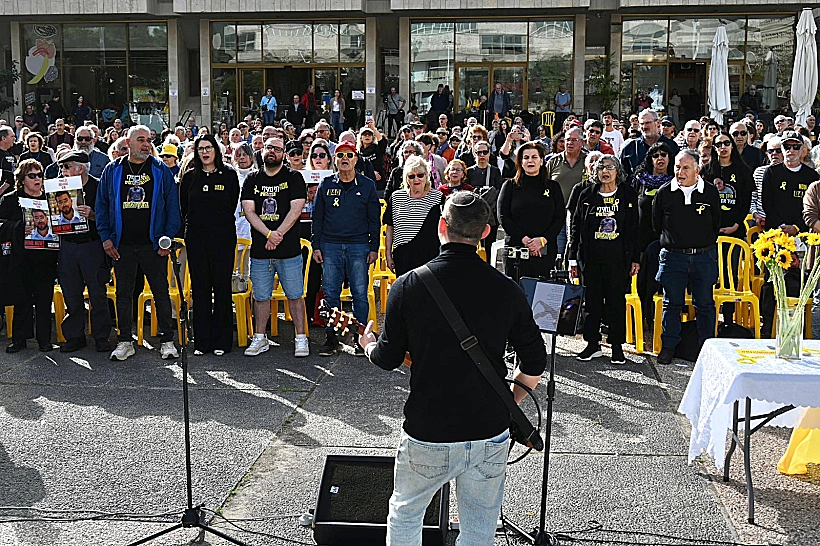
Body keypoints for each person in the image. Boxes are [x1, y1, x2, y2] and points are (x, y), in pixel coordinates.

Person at [358, 190, 546, 546]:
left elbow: (387, 357)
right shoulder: (507, 289)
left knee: (406, 514)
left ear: (441, 226)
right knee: (479, 527)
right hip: (488, 428)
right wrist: (510, 401)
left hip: (429, 428)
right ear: (485, 232)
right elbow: (535, 362)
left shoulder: (408, 285)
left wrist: (368, 344)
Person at [96, 125, 181, 362]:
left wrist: (167, 239)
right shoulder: (113, 169)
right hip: (121, 245)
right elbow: (101, 206)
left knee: (160, 293)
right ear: (128, 143)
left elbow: (173, 209)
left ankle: (167, 341)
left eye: (149, 140)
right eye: (141, 140)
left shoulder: (160, 170)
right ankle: (125, 341)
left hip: (153, 246)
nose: (146, 144)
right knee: (123, 294)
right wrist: (106, 238)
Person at [241, 137, 309, 357]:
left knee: (295, 295)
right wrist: (269, 234)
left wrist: (277, 234)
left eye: (278, 149)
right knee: (261, 297)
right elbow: (249, 211)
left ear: (284, 155)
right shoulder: (252, 179)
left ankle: (301, 337)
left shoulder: (294, 177)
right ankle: (260, 337)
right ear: (262, 151)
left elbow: (296, 210)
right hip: (261, 251)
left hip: (289, 251)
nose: (272, 152)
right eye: (269, 148)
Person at [569, 154, 639, 365]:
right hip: (591, 260)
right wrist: (572, 258)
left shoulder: (627, 194)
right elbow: (576, 227)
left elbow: (634, 229)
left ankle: (617, 346)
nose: (605, 171)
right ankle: (592, 344)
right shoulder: (586, 194)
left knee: (616, 302)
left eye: (609, 167)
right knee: (592, 303)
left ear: (618, 171)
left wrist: (635, 258)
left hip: (618, 260)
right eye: (600, 168)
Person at [653, 150, 721, 365]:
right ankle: (668, 347)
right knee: (672, 304)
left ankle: (707, 349)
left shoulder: (710, 192)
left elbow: (716, 223)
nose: (680, 172)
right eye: (677, 167)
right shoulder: (664, 192)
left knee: (705, 305)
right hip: (673, 257)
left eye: (685, 168)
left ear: (697, 170)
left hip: (704, 256)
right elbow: (656, 225)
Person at [312, 141, 380, 356]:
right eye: (340, 155)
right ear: (335, 159)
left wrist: (374, 247)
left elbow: (374, 220)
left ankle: (361, 339)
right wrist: (316, 246)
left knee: (359, 293)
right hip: (330, 245)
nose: (345, 159)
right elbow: (317, 218)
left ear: (356, 159)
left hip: (359, 245)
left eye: (349, 155)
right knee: (331, 293)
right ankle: (331, 338)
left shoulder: (368, 185)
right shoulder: (325, 184)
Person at [178, 134, 240, 356]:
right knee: (200, 287)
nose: (205, 152)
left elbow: (232, 202)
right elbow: (184, 207)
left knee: (222, 287)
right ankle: (202, 342)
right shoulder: (189, 177)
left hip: (223, 236)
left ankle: (222, 341)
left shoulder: (229, 175)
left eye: (209, 148)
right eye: (201, 148)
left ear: (216, 150)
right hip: (197, 236)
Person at [760, 130, 820, 337]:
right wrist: (782, 228)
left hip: (803, 237)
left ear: (803, 150)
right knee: (772, 282)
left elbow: (811, 210)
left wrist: (796, 228)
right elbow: (767, 204)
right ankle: (767, 327)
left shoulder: (811, 177)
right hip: (776, 235)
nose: (791, 151)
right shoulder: (771, 173)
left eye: (795, 147)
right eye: (787, 147)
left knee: (802, 282)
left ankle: (799, 330)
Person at [53, 150, 114, 353]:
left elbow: (111, 216)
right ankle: (75, 336)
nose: (63, 171)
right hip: (68, 246)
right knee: (71, 293)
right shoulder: (58, 187)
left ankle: (101, 336)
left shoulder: (98, 186)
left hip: (92, 245)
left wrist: (93, 215)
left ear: (80, 169)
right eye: (61, 167)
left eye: (67, 167)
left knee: (97, 293)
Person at [0, 160, 59, 352]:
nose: (37, 179)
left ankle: (44, 340)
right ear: (22, 179)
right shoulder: (10, 199)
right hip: (20, 258)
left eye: (39, 175)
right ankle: (19, 340)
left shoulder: (51, 198)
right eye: (32, 176)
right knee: (22, 300)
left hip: (46, 258)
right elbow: (1, 225)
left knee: (44, 300)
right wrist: (19, 227)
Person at [701, 131, 753, 325]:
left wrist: (736, 224)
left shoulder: (743, 170)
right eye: (718, 144)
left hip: (735, 230)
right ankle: (709, 316)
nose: (722, 147)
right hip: (710, 232)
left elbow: (745, 202)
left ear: (732, 145)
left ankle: (729, 318)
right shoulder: (706, 171)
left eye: (726, 143)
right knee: (708, 274)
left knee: (730, 273)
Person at [498, 141, 565, 280]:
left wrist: (542, 240)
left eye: (534, 157)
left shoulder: (553, 187)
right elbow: (503, 216)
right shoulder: (509, 186)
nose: (530, 161)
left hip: (545, 251)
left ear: (542, 160)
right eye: (526, 157)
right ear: (520, 162)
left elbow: (559, 217)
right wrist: (525, 240)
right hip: (516, 251)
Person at [384, 155, 444, 276]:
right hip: (403, 255)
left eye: (420, 175)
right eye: (411, 176)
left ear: (426, 176)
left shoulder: (438, 197)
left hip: (430, 255)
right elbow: (390, 228)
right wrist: (388, 255)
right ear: (406, 179)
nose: (416, 179)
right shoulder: (396, 197)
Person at [620, 109, 680, 180]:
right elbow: (622, 175)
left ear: (658, 123)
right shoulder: (629, 148)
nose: (644, 127)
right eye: (642, 124)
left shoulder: (671, 146)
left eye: (648, 123)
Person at [751, 136, 783, 226]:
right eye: (770, 151)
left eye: (778, 151)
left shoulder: (790, 172)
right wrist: (755, 214)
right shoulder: (758, 171)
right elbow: (753, 196)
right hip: (760, 220)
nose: (774, 154)